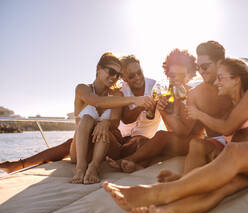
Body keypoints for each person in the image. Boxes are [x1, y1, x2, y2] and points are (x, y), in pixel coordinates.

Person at [103, 58, 248, 213]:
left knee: (233, 151)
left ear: (236, 79)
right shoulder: (228, 105)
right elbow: (183, 130)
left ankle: (158, 193)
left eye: (221, 77)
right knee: (217, 190)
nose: (217, 82)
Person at [0, 52, 154, 184]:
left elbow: (115, 121)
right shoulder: (82, 89)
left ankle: (93, 167)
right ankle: (80, 167)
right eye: (111, 72)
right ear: (98, 69)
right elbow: (96, 101)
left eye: (118, 75)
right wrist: (136, 100)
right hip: (81, 150)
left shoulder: (117, 95)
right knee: (86, 119)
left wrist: (106, 123)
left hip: (105, 145)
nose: (114, 77)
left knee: (103, 128)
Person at [158, 41, 248, 183]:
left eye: (205, 66)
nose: (201, 71)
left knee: (232, 153)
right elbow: (184, 130)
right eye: (198, 67)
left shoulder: (239, 83)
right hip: (223, 142)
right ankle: (185, 181)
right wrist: (165, 112)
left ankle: (185, 183)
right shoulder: (195, 94)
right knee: (196, 144)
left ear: (220, 63)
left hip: (245, 144)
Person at [106, 49, 204, 173]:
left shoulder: (192, 94)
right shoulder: (170, 95)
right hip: (180, 142)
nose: (176, 79)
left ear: (190, 75)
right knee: (152, 146)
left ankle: (128, 160)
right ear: (167, 74)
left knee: (160, 136)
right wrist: (162, 109)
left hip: (196, 142)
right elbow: (172, 129)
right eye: (172, 75)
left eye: (182, 75)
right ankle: (139, 165)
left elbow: (183, 132)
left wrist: (163, 111)